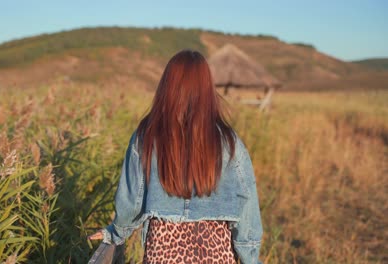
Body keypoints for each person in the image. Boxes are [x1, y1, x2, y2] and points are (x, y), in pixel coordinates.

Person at [88, 49, 263, 263]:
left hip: (162, 249)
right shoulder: (228, 140)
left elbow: (132, 200)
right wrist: (249, 256)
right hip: (215, 250)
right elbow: (246, 201)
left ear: (167, 86)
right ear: (207, 89)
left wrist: (116, 232)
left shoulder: (147, 135)